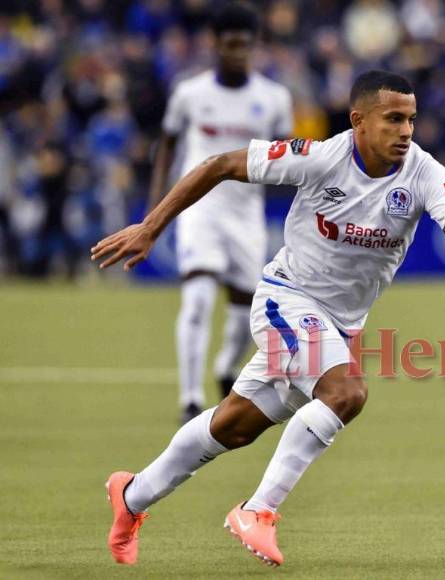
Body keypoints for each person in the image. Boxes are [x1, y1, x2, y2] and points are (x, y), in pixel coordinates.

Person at [92, 70, 445, 568]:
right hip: (287, 299)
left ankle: (130, 496)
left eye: (411, 118)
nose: (405, 130)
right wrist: (151, 228)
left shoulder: (423, 171)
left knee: (233, 428)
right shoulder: (320, 157)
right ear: (358, 121)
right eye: (393, 119)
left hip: (339, 326)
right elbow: (219, 165)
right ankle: (258, 510)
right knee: (346, 393)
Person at [148, 2, 294, 423]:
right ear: (214, 44)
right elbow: (168, 145)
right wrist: (158, 206)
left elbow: (287, 160)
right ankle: (191, 400)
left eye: (244, 45)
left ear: (255, 46)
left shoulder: (273, 98)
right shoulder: (189, 93)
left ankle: (224, 368)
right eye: (229, 44)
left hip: (246, 213)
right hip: (199, 210)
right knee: (196, 298)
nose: (237, 53)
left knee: (247, 312)